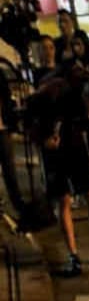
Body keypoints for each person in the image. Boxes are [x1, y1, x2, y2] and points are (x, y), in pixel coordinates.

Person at [29, 75, 89, 276]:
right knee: (64, 199)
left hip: (76, 143)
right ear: (88, 97)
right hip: (54, 148)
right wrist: (43, 137)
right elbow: (32, 112)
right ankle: (73, 255)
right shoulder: (58, 92)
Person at [0, 67, 25, 217]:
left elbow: (7, 98)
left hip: (2, 128)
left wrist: (10, 123)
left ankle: (18, 204)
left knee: (9, 170)